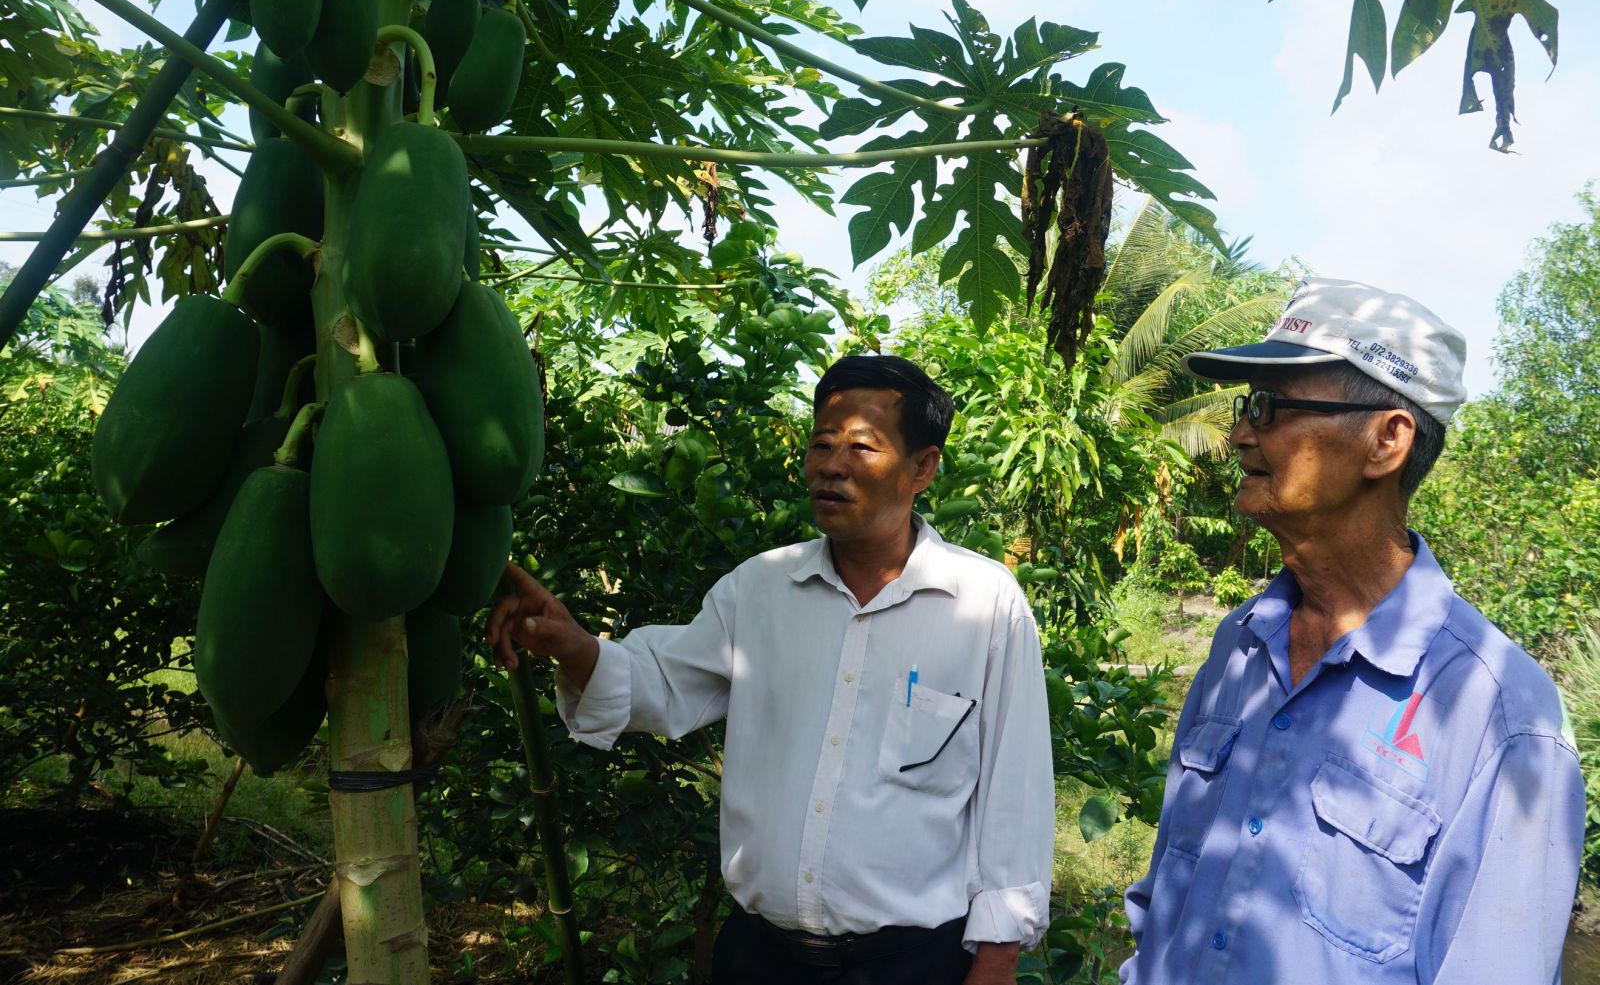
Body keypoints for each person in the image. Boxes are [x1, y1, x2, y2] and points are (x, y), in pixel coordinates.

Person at [488, 354, 1054, 985]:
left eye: (862, 447)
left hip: (914, 964)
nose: (832, 466)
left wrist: (998, 959)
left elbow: (1015, 793)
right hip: (761, 960)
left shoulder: (984, 603)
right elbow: (665, 684)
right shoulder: (759, 590)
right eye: (822, 444)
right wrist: (571, 642)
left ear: (922, 468)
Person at [1119, 277, 1585, 984]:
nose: (1241, 432)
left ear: (1386, 441)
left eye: (1272, 408)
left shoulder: (1501, 716)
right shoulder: (1239, 645)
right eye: (1248, 406)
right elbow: (1164, 906)